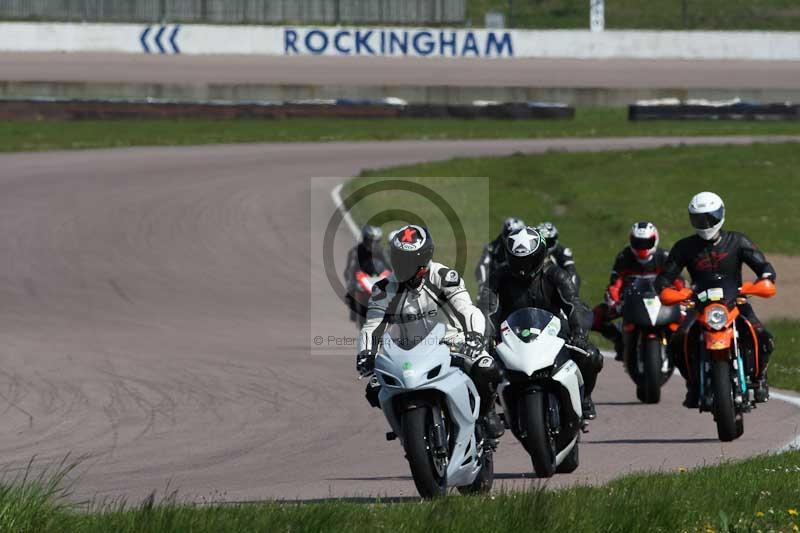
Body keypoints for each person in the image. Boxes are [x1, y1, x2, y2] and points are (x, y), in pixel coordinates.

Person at [355, 224, 505, 439]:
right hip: (411, 351)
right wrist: (366, 353)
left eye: (409, 260)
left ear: (424, 258)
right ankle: (408, 432)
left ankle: (485, 413)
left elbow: (467, 309)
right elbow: (373, 326)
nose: (403, 265)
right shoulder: (383, 289)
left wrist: (475, 336)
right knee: (375, 388)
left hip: (454, 343)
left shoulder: (444, 276)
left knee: (486, 367)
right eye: (398, 258)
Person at [655, 192, 777, 407]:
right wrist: (668, 289)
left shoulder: (738, 241)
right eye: (699, 219)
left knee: (761, 334)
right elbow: (665, 276)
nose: (705, 224)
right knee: (678, 339)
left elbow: (763, 266)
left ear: (721, 215)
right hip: (699, 304)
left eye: (709, 218)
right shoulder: (684, 247)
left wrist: (765, 279)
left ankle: (759, 379)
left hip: (735, 301)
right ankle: (692, 385)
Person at [479, 226, 603, 419]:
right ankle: (486, 417)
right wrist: (486, 338)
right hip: (512, 340)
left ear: (540, 256)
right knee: (480, 367)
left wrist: (579, 333)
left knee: (591, 355)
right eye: (518, 260)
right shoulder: (498, 278)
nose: (523, 267)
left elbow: (574, 304)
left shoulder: (556, 275)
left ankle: (585, 398)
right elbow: (487, 310)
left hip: (553, 335)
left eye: (528, 261)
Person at [592, 221, 683, 361]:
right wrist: (614, 303)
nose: (642, 247)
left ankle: (680, 348)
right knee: (594, 317)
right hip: (631, 302)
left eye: (647, 242)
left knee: (690, 318)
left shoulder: (664, 256)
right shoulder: (624, 257)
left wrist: (682, 297)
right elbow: (615, 284)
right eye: (638, 242)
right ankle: (619, 339)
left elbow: (679, 282)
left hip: (662, 303)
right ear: (631, 241)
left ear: (655, 239)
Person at [343, 225, 390, 324]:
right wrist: (352, 283)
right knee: (350, 294)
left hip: (378, 279)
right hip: (361, 279)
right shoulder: (355, 252)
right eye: (370, 241)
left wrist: (393, 279)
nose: (372, 244)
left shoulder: (381, 251)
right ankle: (354, 312)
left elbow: (390, 267)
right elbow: (349, 271)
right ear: (365, 239)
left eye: (375, 241)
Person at [475, 217, 525, 298]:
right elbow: (482, 266)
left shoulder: (526, 250)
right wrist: (483, 286)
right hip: (496, 287)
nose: (510, 239)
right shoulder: (492, 248)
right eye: (508, 233)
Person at [536, 221, 580, 291]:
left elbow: (572, 272)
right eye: (542, 241)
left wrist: (572, 292)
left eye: (548, 242)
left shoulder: (563, 251)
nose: (546, 245)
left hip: (557, 285)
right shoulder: (534, 251)